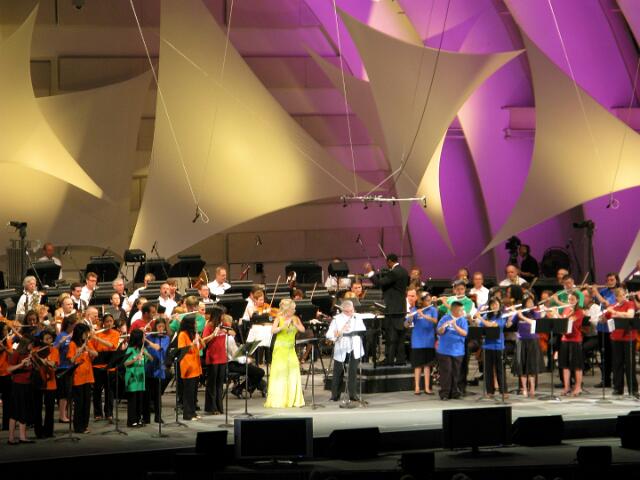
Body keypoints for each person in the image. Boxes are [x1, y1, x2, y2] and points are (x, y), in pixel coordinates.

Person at [369, 253, 410, 366]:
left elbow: (379, 283)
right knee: (400, 336)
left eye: (387, 262)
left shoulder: (394, 272)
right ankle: (401, 359)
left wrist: (370, 272)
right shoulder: (404, 271)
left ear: (390, 261)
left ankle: (389, 360)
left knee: (391, 336)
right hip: (401, 308)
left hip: (393, 309)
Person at [265, 298, 305, 408]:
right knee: (280, 373)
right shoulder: (279, 318)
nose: (294, 311)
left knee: (293, 372)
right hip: (280, 349)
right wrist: (282, 326)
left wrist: (295, 324)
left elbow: (302, 329)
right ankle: (280, 400)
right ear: (287, 310)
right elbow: (273, 331)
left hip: (290, 349)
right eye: (292, 309)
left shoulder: (295, 318)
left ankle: (292, 399)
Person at [327, 300, 366, 402]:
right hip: (342, 347)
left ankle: (353, 395)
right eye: (347, 311)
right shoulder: (336, 319)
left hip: (354, 347)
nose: (350, 313)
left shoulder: (357, 317)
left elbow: (363, 330)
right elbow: (329, 334)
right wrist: (337, 334)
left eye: (351, 310)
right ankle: (335, 395)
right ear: (342, 310)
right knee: (338, 371)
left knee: (353, 371)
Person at [604, 288, 637, 396]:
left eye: (623, 295)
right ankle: (618, 388)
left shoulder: (630, 304)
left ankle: (633, 389)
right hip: (616, 338)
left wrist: (615, 312)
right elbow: (605, 319)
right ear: (616, 297)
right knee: (617, 363)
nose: (623, 297)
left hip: (629, 338)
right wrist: (602, 315)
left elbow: (630, 315)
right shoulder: (613, 306)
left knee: (629, 364)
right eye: (620, 295)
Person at [405, 289, 437, 395]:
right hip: (417, 341)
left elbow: (435, 321)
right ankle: (417, 387)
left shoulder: (433, 309)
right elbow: (406, 325)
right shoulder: (415, 309)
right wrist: (410, 317)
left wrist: (423, 315)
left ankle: (427, 388)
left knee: (427, 366)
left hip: (429, 341)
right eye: (427, 300)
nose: (429, 302)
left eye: (430, 300)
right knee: (417, 366)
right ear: (422, 301)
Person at [511, 296, 544, 397]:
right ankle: (524, 388)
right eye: (528, 302)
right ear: (524, 304)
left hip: (533, 341)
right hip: (521, 341)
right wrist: (511, 315)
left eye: (532, 302)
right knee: (522, 367)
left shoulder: (536, 313)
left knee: (532, 367)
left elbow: (534, 323)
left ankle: (532, 388)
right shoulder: (518, 314)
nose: (530, 304)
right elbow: (509, 325)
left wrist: (522, 316)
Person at [67, 323, 96, 433]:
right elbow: (72, 360)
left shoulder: (87, 343)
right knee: (79, 403)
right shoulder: (72, 344)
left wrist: (88, 349)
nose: (87, 335)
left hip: (88, 377)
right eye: (85, 333)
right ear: (80, 333)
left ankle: (85, 425)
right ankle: (78, 427)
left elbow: (96, 354)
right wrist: (80, 350)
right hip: (78, 377)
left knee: (87, 403)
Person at [436, 301, 468, 400]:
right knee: (446, 372)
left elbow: (464, 333)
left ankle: (455, 392)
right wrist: (443, 327)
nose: (463, 312)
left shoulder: (462, 320)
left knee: (456, 372)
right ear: (454, 311)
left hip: (458, 351)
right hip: (444, 350)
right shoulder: (445, 318)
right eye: (461, 310)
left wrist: (455, 326)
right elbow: (439, 332)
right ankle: (445, 393)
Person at [592, 273, 619, 388]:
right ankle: (605, 380)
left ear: (617, 280)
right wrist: (592, 291)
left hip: (612, 328)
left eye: (612, 280)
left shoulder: (618, 292)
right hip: (601, 327)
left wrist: (596, 292)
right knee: (604, 355)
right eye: (608, 280)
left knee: (613, 355)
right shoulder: (604, 291)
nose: (610, 282)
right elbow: (595, 301)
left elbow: (606, 303)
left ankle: (616, 380)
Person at [90, 314, 119, 421]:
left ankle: (109, 413)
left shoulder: (116, 333)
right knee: (97, 390)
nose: (109, 323)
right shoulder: (97, 333)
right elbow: (91, 345)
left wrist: (97, 338)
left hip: (110, 365)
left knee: (109, 390)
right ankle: (97, 413)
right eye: (107, 321)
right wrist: (94, 351)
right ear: (103, 323)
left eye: (111, 321)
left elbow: (112, 345)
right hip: (97, 364)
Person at [32, 328, 59, 438]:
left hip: (51, 382)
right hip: (38, 382)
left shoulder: (54, 350)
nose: (49, 341)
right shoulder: (35, 350)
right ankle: (39, 432)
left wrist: (42, 360)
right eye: (46, 339)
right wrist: (35, 357)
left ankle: (49, 431)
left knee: (50, 409)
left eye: (50, 338)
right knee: (37, 408)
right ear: (41, 340)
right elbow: (34, 366)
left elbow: (53, 365)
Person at [7, 338, 35, 444]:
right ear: (25, 344)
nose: (32, 346)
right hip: (18, 385)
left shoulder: (29, 354)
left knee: (24, 410)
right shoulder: (16, 354)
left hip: (27, 385)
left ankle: (22, 437)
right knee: (15, 411)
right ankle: (10, 438)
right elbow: (9, 369)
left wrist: (33, 360)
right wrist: (21, 364)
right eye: (31, 344)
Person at [202, 307, 230, 414]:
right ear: (217, 316)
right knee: (212, 384)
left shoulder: (224, 325)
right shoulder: (209, 326)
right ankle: (211, 408)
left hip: (222, 357)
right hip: (213, 358)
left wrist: (226, 330)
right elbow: (204, 340)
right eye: (222, 315)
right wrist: (213, 334)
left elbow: (233, 333)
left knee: (220, 384)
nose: (223, 316)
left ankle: (219, 407)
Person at [143, 317, 170, 424]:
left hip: (159, 368)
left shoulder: (166, 338)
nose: (161, 329)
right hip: (148, 367)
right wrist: (143, 334)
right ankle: (146, 418)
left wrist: (147, 341)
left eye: (163, 327)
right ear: (155, 327)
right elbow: (142, 345)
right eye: (159, 327)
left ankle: (158, 417)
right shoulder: (150, 336)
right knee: (147, 394)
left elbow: (159, 348)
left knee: (157, 395)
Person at [479, 297, 509, 397]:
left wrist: (480, 318)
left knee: (500, 370)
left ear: (499, 305)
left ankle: (503, 391)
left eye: (496, 304)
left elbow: (494, 325)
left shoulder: (503, 316)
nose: (494, 306)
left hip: (499, 346)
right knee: (488, 370)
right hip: (487, 346)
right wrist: (476, 318)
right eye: (492, 304)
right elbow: (480, 326)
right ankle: (490, 391)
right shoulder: (486, 315)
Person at [556, 293, 584, 396]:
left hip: (575, 340)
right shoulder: (567, 309)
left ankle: (578, 387)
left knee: (577, 366)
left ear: (577, 300)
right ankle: (567, 387)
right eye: (569, 299)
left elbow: (568, 322)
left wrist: (558, 315)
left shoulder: (579, 312)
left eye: (572, 299)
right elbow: (562, 324)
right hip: (565, 339)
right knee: (565, 365)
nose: (570, 301)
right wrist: (555, 315)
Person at [124, 329, 151, 427]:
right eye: (143, 337)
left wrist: (145, 353)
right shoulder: (130, 350)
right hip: (132, 377)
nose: (144, 339)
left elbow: (151, 359)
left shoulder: (142, 349)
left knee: (140, 400)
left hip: (140, 378)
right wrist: (135, 359)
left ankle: (138, 419)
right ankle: (131, 421)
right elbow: (125, 363)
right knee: (133, 400)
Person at [178, 314, 202, 420]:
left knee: (193, 392)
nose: (196, 324)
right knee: (188, 392)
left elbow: (199, 348)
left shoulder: (193, 334)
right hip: (188, 366)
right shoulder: (182, 334)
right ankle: (187, 414)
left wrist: (200, 341)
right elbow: (182, 349)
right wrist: (194, 342)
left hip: (196, 365)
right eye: (195, 322)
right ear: (190, 324)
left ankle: (193, 413)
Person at [54, 314, 77, 424]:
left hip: (71, 367)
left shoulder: (74, 336)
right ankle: (62, 415)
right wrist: (60, 342)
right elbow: (54, 349)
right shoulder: (61, 335)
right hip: (62, 367)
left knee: (69, 393)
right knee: (63, 393)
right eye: (74, 325)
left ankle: (67, 414)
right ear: (69, 325)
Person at [0, 322, 14, 431]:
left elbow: (11, 353)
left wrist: (3, 347)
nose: (6, 331)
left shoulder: (7, 341)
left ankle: (6, 424)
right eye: (5, 329)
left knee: (7, 401)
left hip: (6, 374)